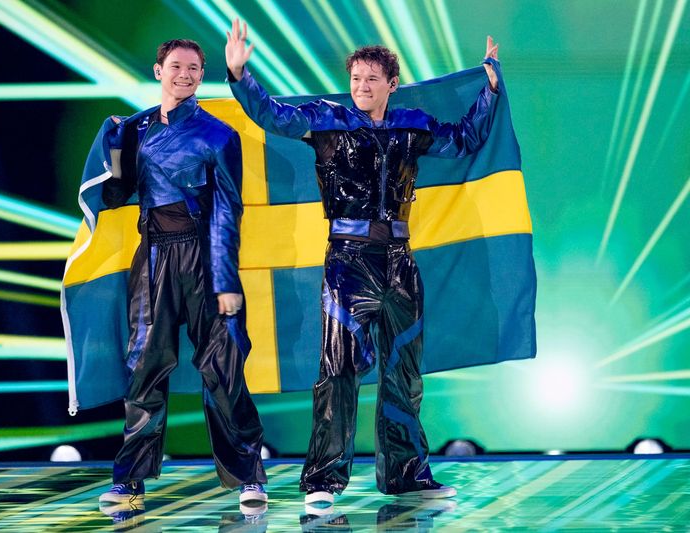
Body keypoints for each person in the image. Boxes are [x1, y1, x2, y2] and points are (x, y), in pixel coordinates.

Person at [225, 19, 500, 505]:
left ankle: (407, 478)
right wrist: (240, 76)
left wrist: (491, 89)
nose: (361, 87)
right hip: (348, 264)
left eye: (372, 79)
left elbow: (465, 140)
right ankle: (323, 482)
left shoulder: (412, 126)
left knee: (404, 372)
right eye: (355, 79)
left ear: (391, 85)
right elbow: (271, 115)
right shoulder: (327, 121)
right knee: (337, 369)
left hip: (399, 261)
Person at [95, 38, 268, 511]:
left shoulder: (218, 135)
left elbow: (229, 211)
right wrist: (112, 148)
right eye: (176, 66)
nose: (185, 74)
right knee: (144, 368)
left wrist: (227, 279)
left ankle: (249, 475)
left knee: (223, 365)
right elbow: (115, 195)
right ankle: (129, 480)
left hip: (204, 257)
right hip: (152, 256)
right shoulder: (136, 130)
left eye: (194, 68)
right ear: (158, 71)